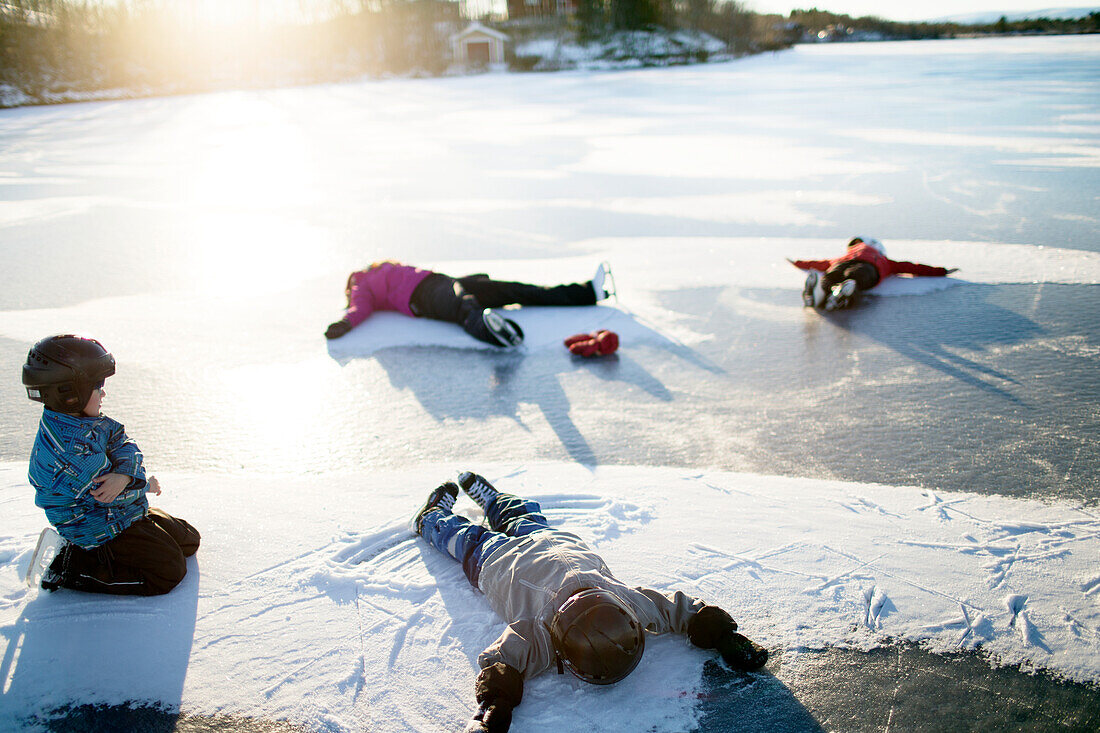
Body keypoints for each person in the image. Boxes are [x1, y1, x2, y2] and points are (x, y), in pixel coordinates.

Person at [412, 472, 768, 733]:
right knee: (519, 511)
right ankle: (492, 499)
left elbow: (504, 659)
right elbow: (677, 610)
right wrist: (721, 634)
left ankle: (430, 519)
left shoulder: (541, 634)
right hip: (545, 537)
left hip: (496, 559)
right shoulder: (630, 603)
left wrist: (495, 706)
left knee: (460, 537)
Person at [21, 334, 200, 595]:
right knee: (168, 571)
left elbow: (121, 438)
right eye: (97, 386)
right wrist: (142, 484)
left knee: (188, 541)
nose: (103, 392)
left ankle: (140, 523)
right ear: (70, 394)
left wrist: (126, 476)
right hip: (96, 528)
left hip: (120, 510)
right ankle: (71, 566)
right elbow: (109, 495)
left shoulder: (82, 420)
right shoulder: (69, 450)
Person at [324, 261, 614, 347]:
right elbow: (358, 307)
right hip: (424, 295)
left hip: (444, 281)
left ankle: (588, 292)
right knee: (465, 307)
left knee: (514, 290)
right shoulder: (361, 281)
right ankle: (492, 330)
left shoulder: (376, 272)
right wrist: (345, 323)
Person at [789, 236, 957, 311]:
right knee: (856, 277)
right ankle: (844, 291)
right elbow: (911, 267)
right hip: (869, 268)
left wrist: (798, 263)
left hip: (841, 264)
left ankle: (821, 291)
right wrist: (941, 271)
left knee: (830, 276)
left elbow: (820, 263)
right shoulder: (883, 260)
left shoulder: (847, 254)